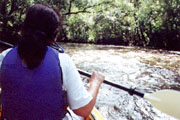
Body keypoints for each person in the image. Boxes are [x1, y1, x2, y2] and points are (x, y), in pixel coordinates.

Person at [0, 4, 104, 120]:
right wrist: (95, 82)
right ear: (55, 33)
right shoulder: (63, 61)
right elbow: (83, 110)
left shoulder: (4, 57)